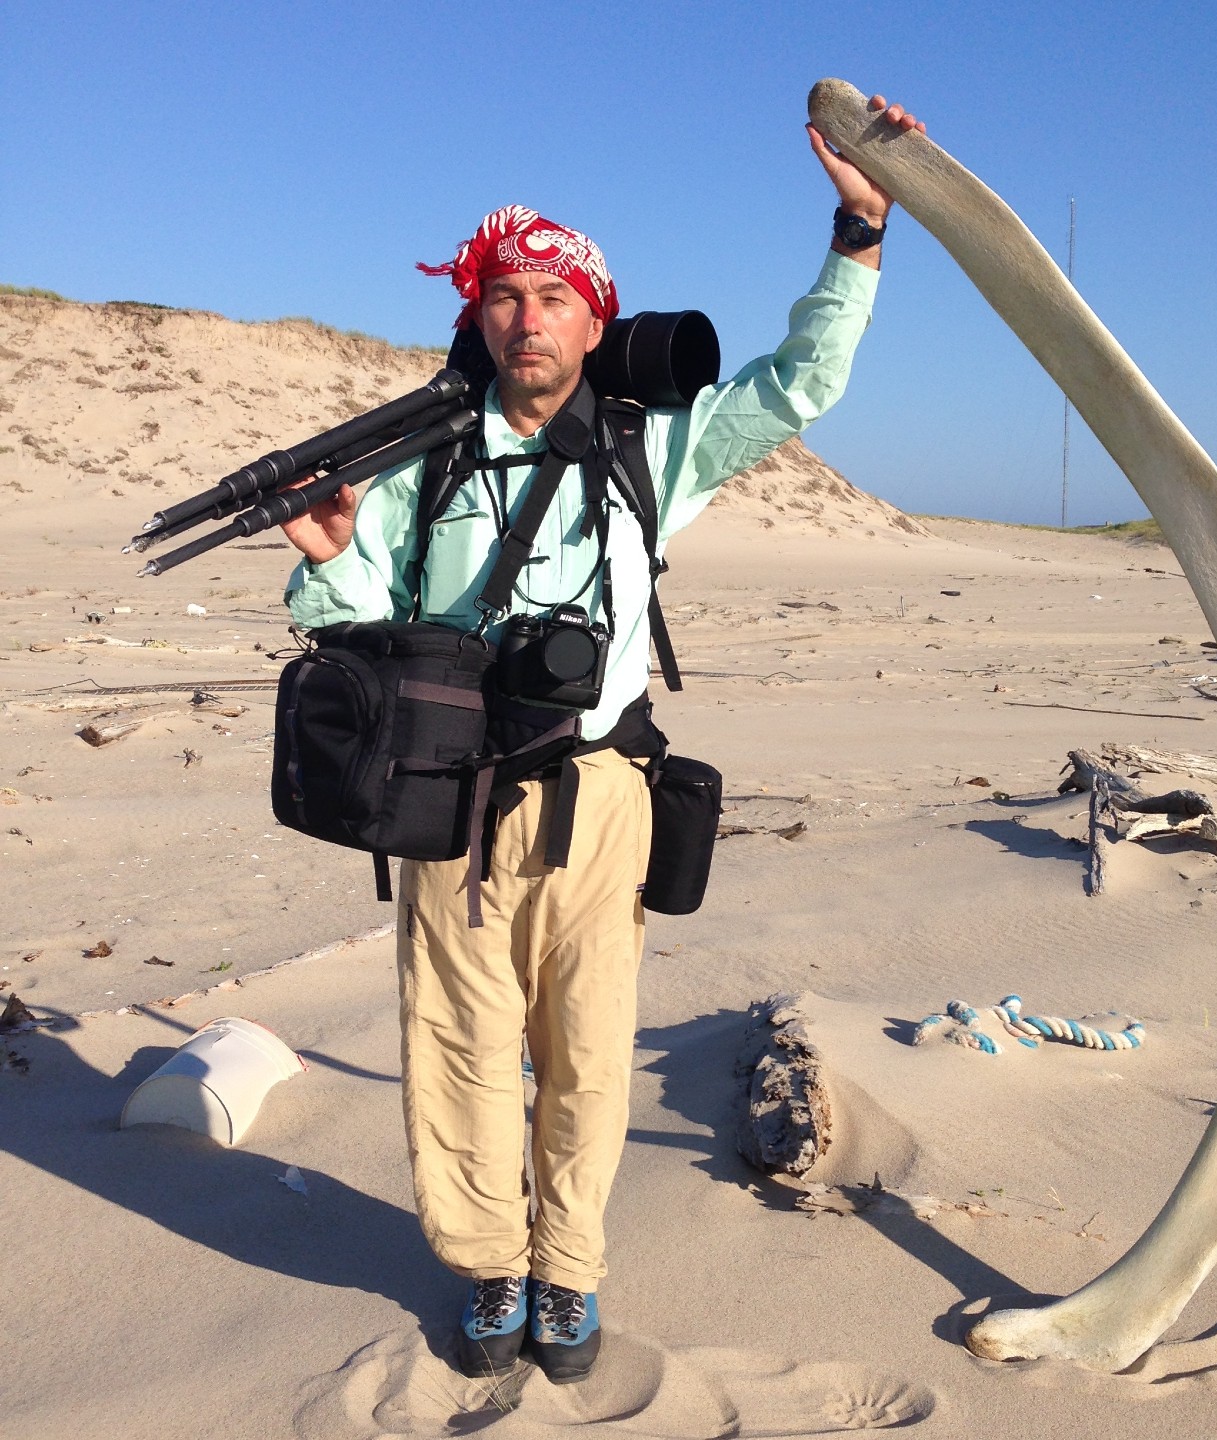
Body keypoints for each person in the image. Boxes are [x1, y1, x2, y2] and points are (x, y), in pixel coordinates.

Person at [280, 93, 924, 1385]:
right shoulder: (415, 465)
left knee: (586, 1054)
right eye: (506, 296)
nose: (529, 317)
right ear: (476, 315)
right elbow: (356, 635)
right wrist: (328, 565)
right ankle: (489, 1268)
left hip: (603, 795)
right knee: (455, 1050)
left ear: (596, 317)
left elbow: (798, 384)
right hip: (445, 801)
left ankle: (569, 1273)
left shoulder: (654, 448)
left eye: (554, 297)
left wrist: (856, 234)